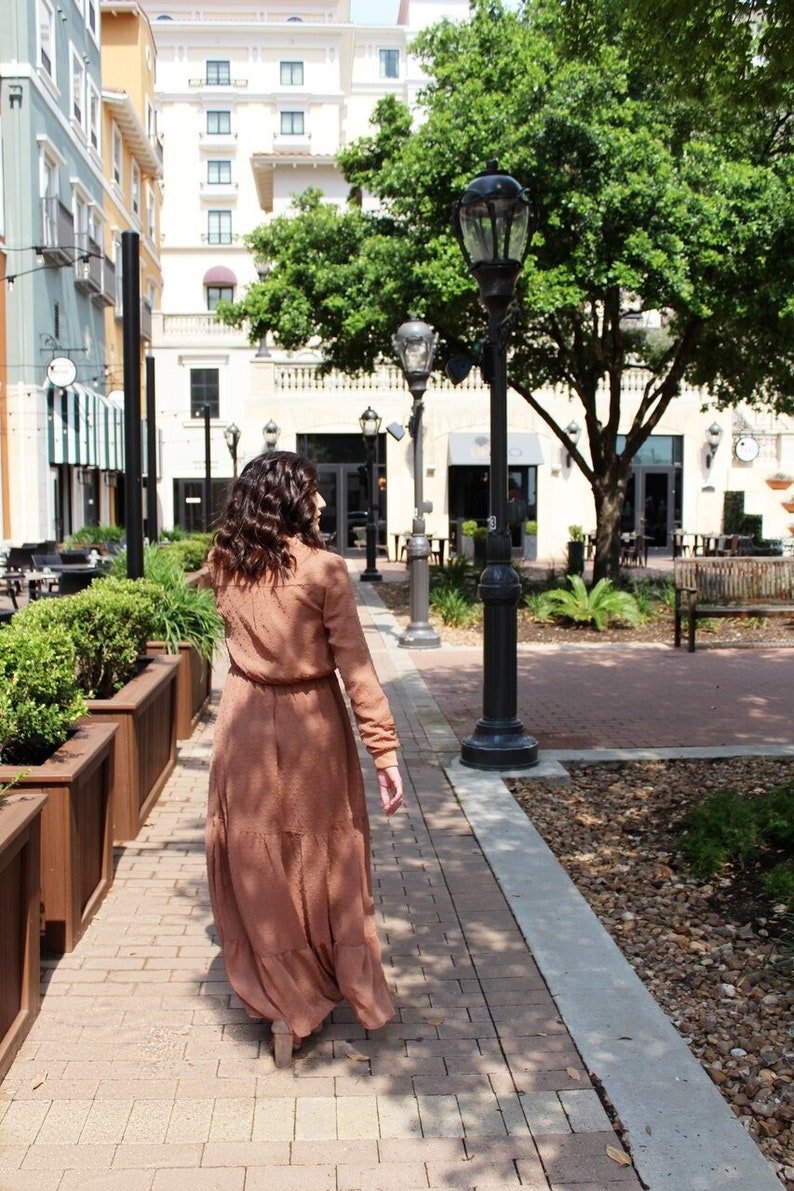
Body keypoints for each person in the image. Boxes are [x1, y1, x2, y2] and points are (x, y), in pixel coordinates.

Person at [206, 451, 403, 1068]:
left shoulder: (222, 565)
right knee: (323, 853)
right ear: (290, 499)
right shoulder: (326, 571)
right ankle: (329, 984)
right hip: (312, 723)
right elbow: (357, 670)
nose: (320, 503)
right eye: (312, 492)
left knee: (257, 857)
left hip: (243, 725)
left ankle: (284, 994)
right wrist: (385, 751)